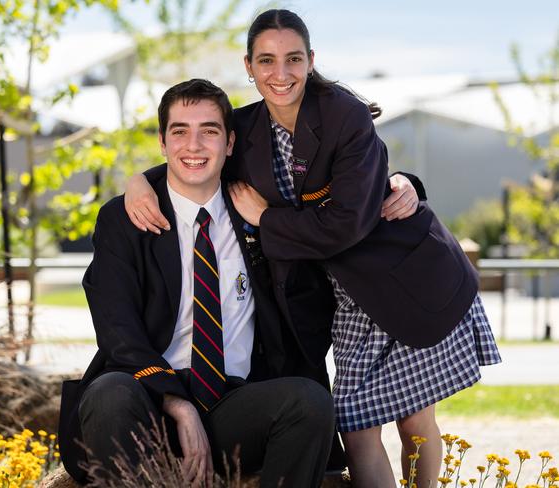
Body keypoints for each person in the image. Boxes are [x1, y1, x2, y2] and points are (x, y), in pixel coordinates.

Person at [123, 9, 501, 488]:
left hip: (401, 276)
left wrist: (268, 219)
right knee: (358, 425)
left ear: (310, 60)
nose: (280, 74)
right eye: (266, 61)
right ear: (248, 66)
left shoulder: (342, 112)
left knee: (414, 422)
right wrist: (137, 182)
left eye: (292, 59)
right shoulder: (248, 127)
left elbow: (347, 224)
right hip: (347, 297)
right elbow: (197, 155)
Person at [58, 79, 337, 488]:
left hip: (233, 406)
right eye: (180, 131)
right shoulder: (126, 219)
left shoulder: (258, 215)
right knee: (109, 391)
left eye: (209, 131)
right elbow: (117, 330)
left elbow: (344, 197)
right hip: (146, 402)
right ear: (162, 141)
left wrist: (404, 185)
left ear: (229, 143)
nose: (194, 146)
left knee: (309, 402)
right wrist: (178, 402)